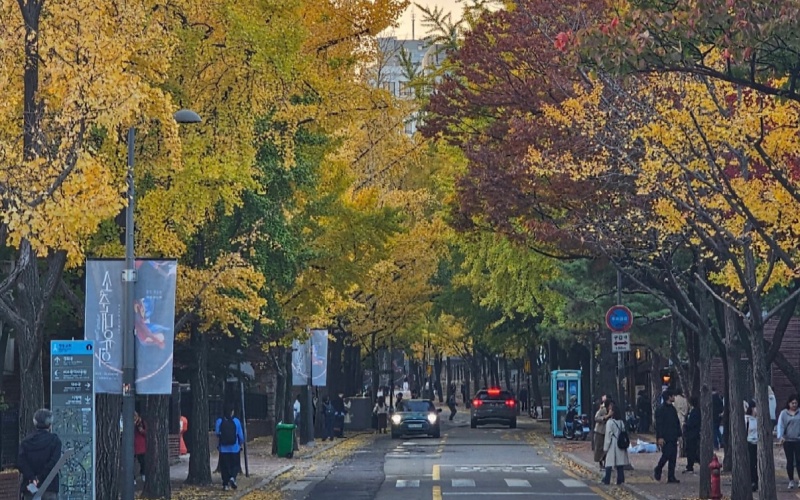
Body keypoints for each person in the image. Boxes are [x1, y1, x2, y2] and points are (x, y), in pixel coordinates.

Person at [19, 409, 62, 500]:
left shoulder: (26, 442)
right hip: (50, 487)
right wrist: (41, 477)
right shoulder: (55, 441)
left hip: (30, 487)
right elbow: (53, 463)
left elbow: (21, 463)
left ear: (35, 423)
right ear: (50, 425)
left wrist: (32, 477)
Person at [654, 390, 682, 484]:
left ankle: (671, 476)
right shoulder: (661, 409)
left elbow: (676, 422)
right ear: (669, 397)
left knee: (673, 457)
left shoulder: (673, 409)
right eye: (672, 395)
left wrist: (679, 434)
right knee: (666, 455)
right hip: (665, 437)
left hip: (673, 436)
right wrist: (660, 437)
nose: (674, 397)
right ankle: (658, 468)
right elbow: (659, 425)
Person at [215, 404, 244, 491]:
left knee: (224, 467)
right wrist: (240, 444)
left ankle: (225, 484)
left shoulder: (219, 421)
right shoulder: (236, 421)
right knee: (235, 465)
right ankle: (232, 477)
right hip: (235, 448)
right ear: (232, 412)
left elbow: (217, 433)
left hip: (223, 449)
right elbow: (241, 436)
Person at [602, 401, 629, 485]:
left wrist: (605, 448)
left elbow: (608, 436)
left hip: (613, 444)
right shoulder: (621, 422)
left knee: (609, 463)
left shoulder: (610, 422)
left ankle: (607, 479)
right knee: (620, 464)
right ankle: (620, 480)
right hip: (620, 444)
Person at [777, 394, 800, 489]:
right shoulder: (784, 413)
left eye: (796, 403)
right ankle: (791, 480)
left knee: (799, 460)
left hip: (798, 440)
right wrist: (781, 436)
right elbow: (780, 426)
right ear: (789, 403)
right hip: (788, 441)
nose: (794, 405)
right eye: (792, 403)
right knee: (790, 461)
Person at [682, 396, 701, 474]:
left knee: (691, 450)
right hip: (692, 434)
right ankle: (691, 465)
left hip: (692, 434)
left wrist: (686, 425)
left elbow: (692, 423)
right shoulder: (694, 411)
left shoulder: (694, 412)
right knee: (692, 450)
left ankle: (690, 466)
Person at [745, 399, 758, 492]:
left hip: (758, 443)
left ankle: (757, 480)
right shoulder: (747, 419)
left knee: (757, 463)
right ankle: (753, 481)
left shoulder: (759, 419)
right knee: (752, 463)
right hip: (750, 443)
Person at [593, 396, 610, 469]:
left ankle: (606, 463)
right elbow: (596, 418)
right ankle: (600, 463)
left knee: (606, 448)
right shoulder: (602, 409)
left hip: (607, 431)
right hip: (599, 431)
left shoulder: (612, 410)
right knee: (599, 448)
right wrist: (604, 418)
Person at [134, 411, 147, 485]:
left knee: (142, 461)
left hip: (140, 445)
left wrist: (142, 431)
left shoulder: (141, 423)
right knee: (132, 463)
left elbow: (146, 432)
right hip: (133, 445)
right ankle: (133, 478)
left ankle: (143, 474)